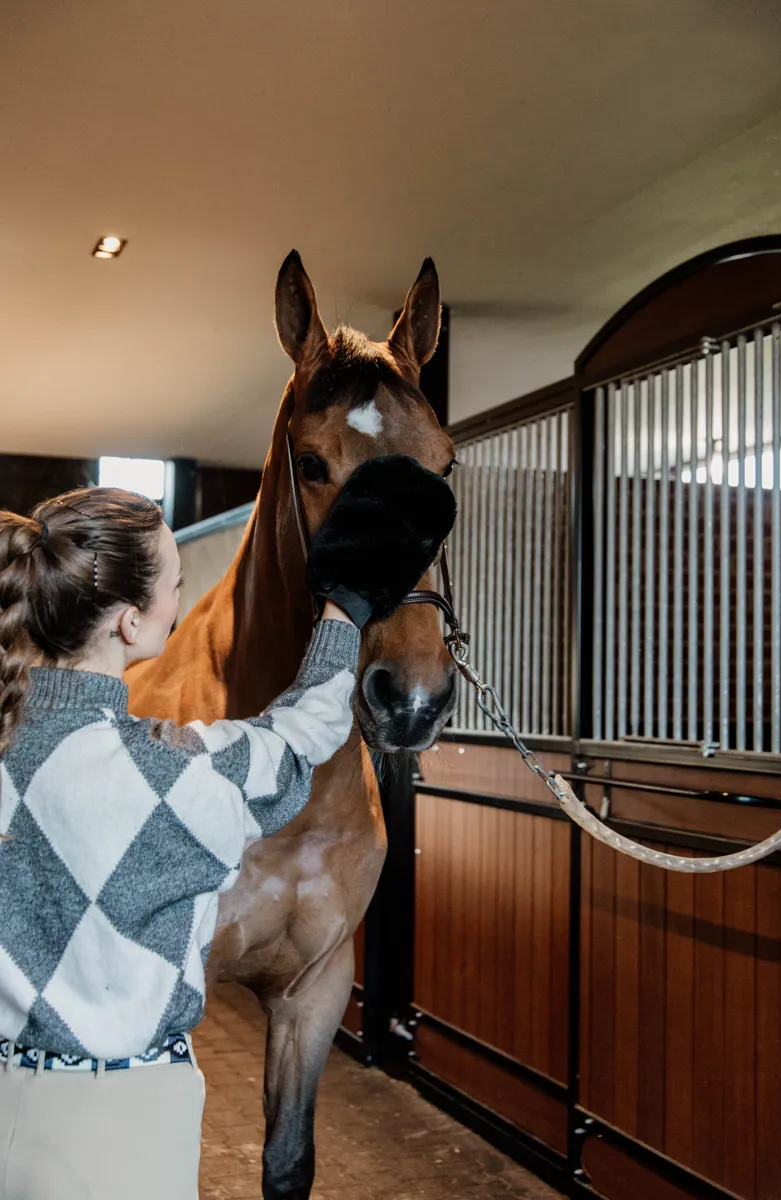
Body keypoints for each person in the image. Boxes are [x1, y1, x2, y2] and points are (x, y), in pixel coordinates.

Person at [0, 457, 456, 1200]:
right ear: (129, 621)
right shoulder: (176, 776)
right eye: (177, 586)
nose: (183, 601)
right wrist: (341, 607)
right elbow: (301, 734)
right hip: (120, 1123)